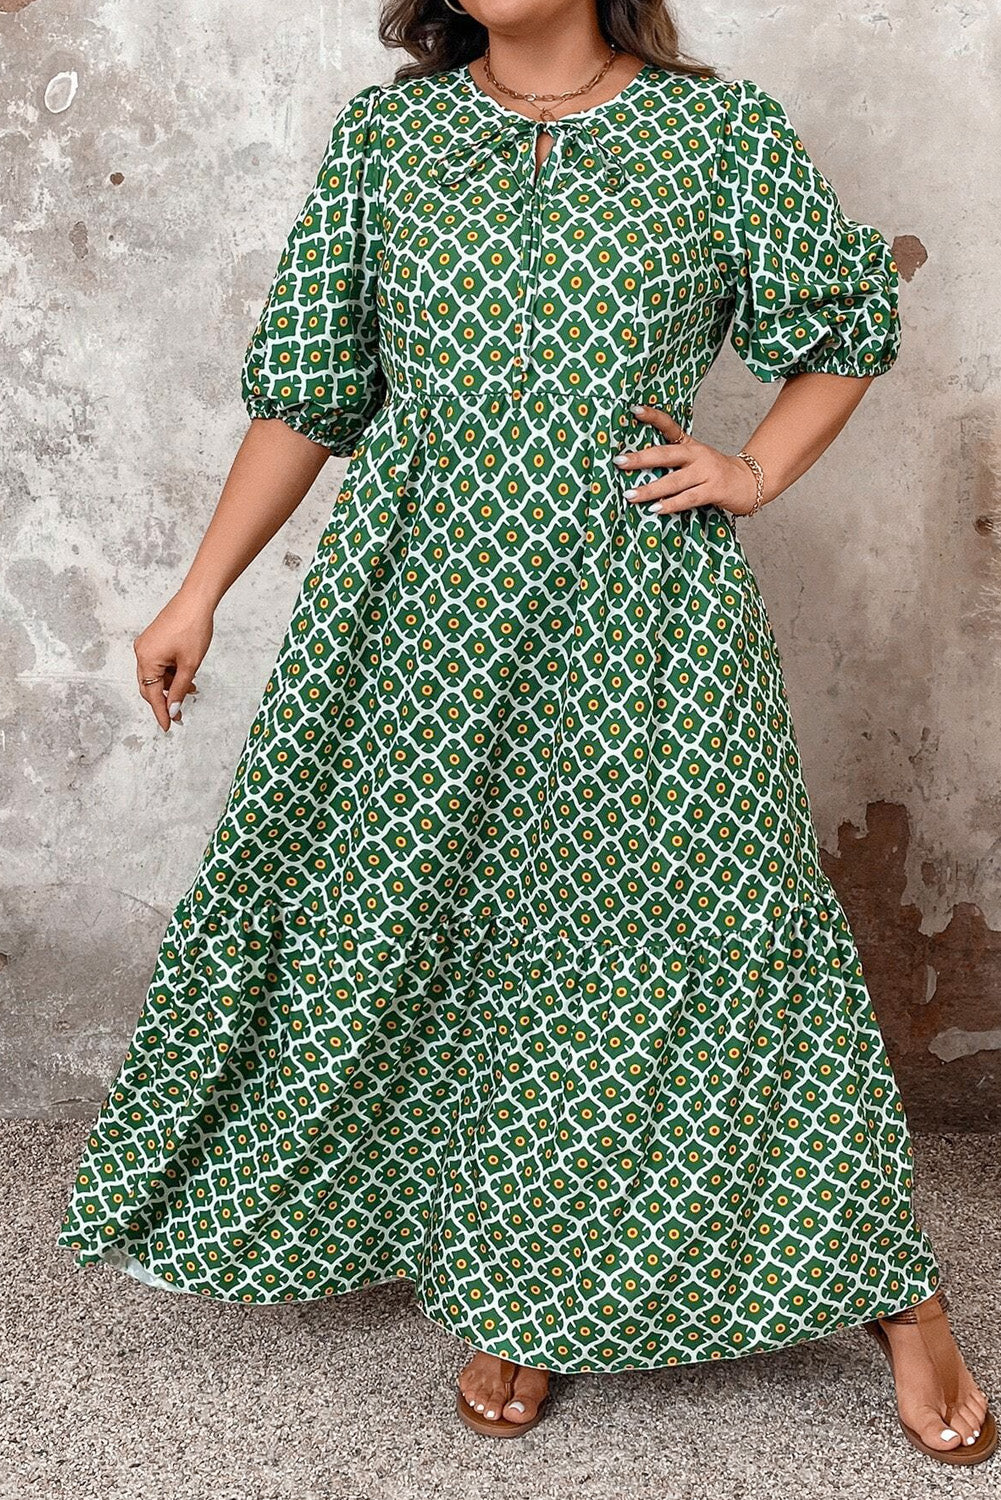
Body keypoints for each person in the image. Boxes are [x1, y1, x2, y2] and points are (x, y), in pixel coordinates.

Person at [56, 0, 995, 1466]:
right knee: (482, 935)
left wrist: (753, 470)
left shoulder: (716, 133)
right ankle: (525, 1280)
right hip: (419, 615)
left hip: (639, 610)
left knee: (726, 925)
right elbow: (310, 393)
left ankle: (895, 1291)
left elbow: (842, 329)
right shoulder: (390, 139)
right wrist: (200, 591)